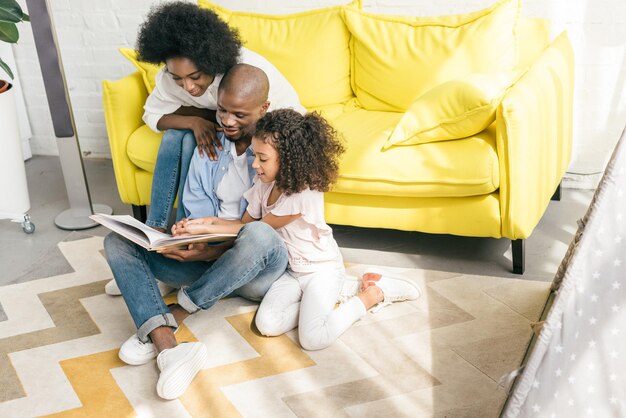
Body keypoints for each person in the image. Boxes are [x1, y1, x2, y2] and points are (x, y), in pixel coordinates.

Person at [103, 65, 290, 401]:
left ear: (264, 109)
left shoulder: (275, 154)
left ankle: (177, 312)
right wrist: (184, 240)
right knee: (118, 241)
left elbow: (272, 230)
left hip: (255, 271)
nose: (228, 121)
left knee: (258, 235)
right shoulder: (210, 148)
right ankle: (167, 344)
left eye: (239, 114)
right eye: (221, 110)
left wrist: (211, 251)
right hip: (208, 262)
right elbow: (199, 214)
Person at [172, 109, 421, 351]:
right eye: (255, 156)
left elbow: (254, 229)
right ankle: (346, 289)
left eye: (263, 158)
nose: (255, 165)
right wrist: (195, 225)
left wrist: (203, 225)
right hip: (291, 273)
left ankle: (370, 296)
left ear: (289, 158)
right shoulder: (264, 183)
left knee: (313, 339)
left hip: (320, 270)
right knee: (267, 324)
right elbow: (244, 226)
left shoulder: (303, 193)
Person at [105, 2, 304, 295]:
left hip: (265, 129)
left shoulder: (245, 74)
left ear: (213, 62)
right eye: (178, 79)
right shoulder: (172, 79)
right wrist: (195, 121)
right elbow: (152, 115)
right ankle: (156, 234)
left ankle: (198, 261)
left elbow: (285, 127)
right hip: (223, 128)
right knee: (177, 137)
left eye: (195, 77)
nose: (188, 87)